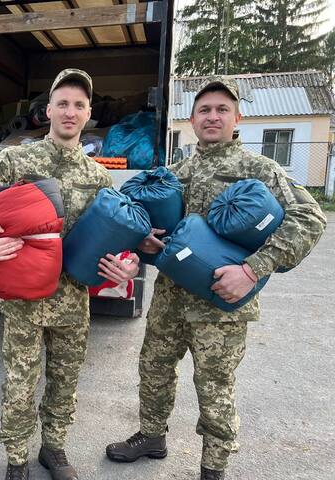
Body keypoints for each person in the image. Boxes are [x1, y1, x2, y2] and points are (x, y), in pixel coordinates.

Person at [105, 76, 327, 480]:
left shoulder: (258, 169)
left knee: (215, 386)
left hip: (222, 305)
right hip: (170, 298)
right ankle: (152, 436)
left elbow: (310, 217)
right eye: (204, 110)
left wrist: (252, 269)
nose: (212, 116)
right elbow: (153, 227)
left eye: (222, 109)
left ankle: (213, 467)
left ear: (236, 118)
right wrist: (147, 244)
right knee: (153, 368)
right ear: (192, 119)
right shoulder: (175, 172)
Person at [0, 69, 140, 480]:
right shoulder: (14, 160)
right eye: (62, 103)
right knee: (20, 383)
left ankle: (54, 449)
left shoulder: (98, 176)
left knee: (65, 380)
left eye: (79, 105)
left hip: (72, 300)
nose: (70, 112)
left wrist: (127, 264)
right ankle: (16, 459)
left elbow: (115, 235)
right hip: (22, 299)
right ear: (47, 111)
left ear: (89, 114)